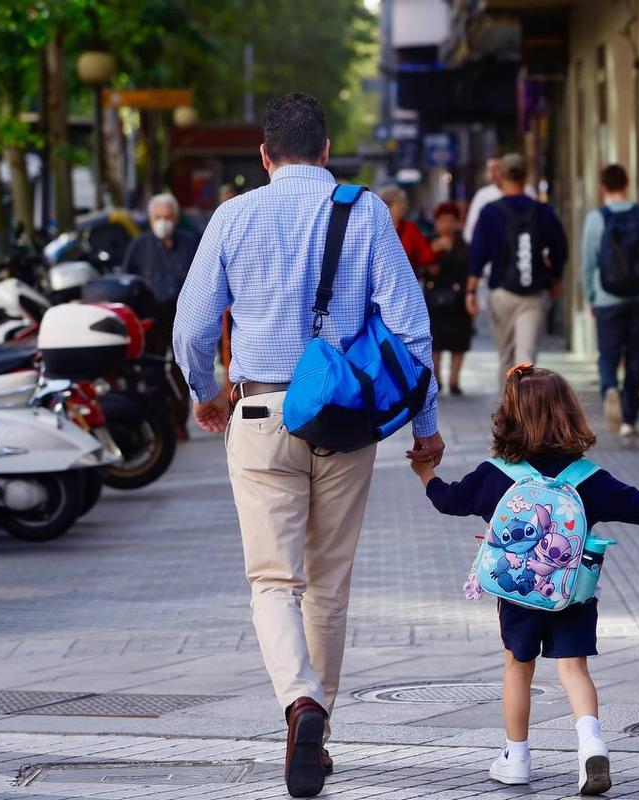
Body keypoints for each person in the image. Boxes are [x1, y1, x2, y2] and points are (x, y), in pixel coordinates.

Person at [172, 92, 441, 798]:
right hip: (346, 419)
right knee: (329, 584)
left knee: (272, 580)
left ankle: (301, 705)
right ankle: (320, 729)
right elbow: (412, 330)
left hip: (260, 411)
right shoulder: (367, 212)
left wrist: (205, 390)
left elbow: (193, 328)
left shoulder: (233, 215)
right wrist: (425, 426)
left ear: (264, 156)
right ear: (328, 151)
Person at [410, 364, 639, 795]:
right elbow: (633, 502)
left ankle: (517, 757)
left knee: (518, 667)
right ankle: (591, 747)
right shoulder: (587, 477)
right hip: (573, 594)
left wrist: (426, 475)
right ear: (569, 414)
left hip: (517, 593)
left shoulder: (496, 474)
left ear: (509, 417)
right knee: (574, 669)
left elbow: (450, 500)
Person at [580, 164, 639, 437]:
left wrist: (591, 297)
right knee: (636, 355)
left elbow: (588, 262)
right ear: (627, 183)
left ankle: (610, 388)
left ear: (603, 188)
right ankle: (629, 419)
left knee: (608, 353)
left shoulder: (596, 219)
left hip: (607, 298)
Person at [467, 153, 568, 382]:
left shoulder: (490, 212)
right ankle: (524, 413)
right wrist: (555, 279)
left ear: (500, 177)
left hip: (501, 292)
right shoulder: (543, 211)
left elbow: (477, 255)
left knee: (505, 358)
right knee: (526, 358)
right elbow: (560, 249)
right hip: (534, 292)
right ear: (526, 177)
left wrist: (471, 290)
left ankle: (507, 411)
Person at [121, 192, 196, 436]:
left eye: (167, 217)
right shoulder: (140, 245)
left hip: (181, 316)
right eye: (158, 217)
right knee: (153, 371)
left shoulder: (188, 242)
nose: (163, 222)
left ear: (175, 218)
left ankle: (179, 420)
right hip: (151, 318)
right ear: (151, 218)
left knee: (183, 370)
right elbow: (127, 280)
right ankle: (160, 419)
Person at [425, 202, 474, 395]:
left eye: (450, 221)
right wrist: (433, 253)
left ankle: (455, 380)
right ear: (436, 222)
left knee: (459, 341)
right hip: (435, 300)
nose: (446, 225)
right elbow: (421, 267)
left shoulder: (464, 245)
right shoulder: (429, 242)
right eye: (442, 221)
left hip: (459, 300)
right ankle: (437, 379)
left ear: (457, 223)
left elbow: (470, 269)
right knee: (435, 342)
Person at [377, 185, 436, 279]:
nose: (404, 206)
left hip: (407, 281)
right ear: (387, 206)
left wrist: (434, 249)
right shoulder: (376, 229)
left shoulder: (411, 228)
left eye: (404, 202)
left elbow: (425, 256)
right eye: (399, 203)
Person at [463, 157, 503, 244]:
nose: (492, 174)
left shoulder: (526, 191)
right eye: (490, 170)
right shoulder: (482, 195)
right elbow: (470, 231)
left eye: (496, 169)